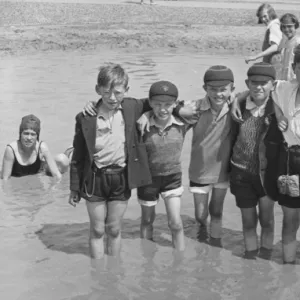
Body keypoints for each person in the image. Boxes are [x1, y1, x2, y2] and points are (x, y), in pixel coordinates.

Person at [69, 63, 197, 259]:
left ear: (126, 91)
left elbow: (158, 102)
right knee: (97, 230)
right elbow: (78, 156)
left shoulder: (131, 107)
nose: (112, 98)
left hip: (121, 178)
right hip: (95, 179)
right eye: (106, 93)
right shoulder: (86, 117)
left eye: (118, 93)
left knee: (113, 229)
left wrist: (179, 109)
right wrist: (74, 188)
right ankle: (98, 271)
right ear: (98, 90)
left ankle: (114, 272)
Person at [230, 62, 285, 258]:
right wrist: (237, 98)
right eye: (254, 83)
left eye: (264, 83)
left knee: (267, 221)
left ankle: (266, 257)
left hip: (267, 174)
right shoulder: (239, 106)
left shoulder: (279, 106)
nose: (258, 87)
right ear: (247, 83)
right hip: (240, 172)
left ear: (273, 84)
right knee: (248, 222)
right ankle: (251, 258)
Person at [137, 81, 189, 251]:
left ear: (175, 104)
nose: (163, 109)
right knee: (146, 221)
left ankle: (179, 259)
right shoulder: (141, 125)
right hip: (147, 180)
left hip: (172, 178)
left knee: (175, 223)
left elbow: (203, 106)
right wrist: (145, 113)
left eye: (168, 104)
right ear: (150, 103)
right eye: (157, 104)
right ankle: (147, 261)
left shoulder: (183, 123)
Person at [187, 66, 235, 241]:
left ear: (232, 89)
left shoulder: (235, 106)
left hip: (222, 171)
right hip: (199, 171)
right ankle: (202, 236)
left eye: (223, 89)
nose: (218, 94)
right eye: (213, 89)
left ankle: (214, 242)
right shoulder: (195, 108)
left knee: (217, 211)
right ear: (204, 88)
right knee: (200, 215)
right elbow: (167, 111)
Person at [271, 45, 300, 263]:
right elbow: (266, 89)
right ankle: (288, 268)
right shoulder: (284, 89)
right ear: (294, 68)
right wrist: (279, 112)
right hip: (291, 160)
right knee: (290, 220)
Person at [1, 114, 68, 180]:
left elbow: (56, 174)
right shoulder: (11, 150)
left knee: (62, 160)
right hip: (16, 179)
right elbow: (5, 180)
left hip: (39, 173)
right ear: (20, 134)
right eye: (26, 133)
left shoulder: (42, 147)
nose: (29, 138)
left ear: (37, 136)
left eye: (33, 134)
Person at [245, 3, 282, 71]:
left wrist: (255, 57)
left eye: (265, 16)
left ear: (271, 14)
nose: (263, 19)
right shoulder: (276, 25)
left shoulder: (274, 26)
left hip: (275, 65)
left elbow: (275, 46)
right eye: (261, 17)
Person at [277, 13, 300, 81]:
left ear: (295, 26)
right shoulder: (285, 41)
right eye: (284, 27)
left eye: (289, 26)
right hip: (284, 80)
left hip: (295, 80)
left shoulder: (298, 43)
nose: (286, 29)